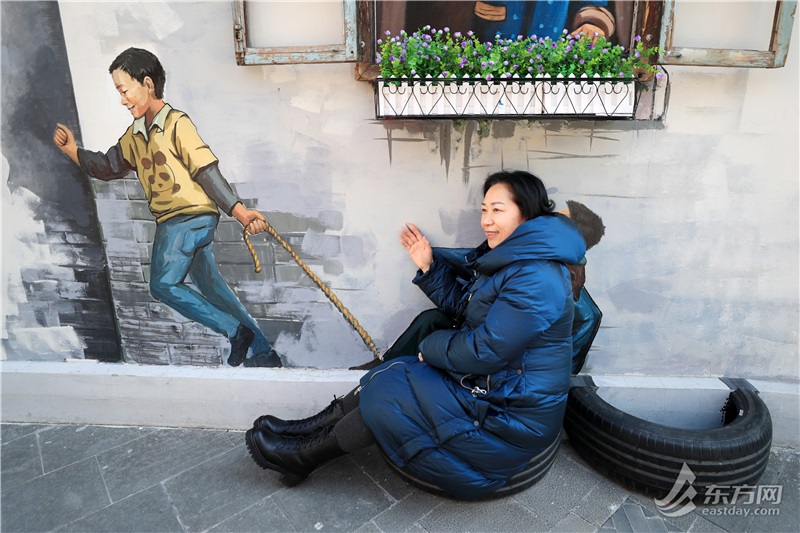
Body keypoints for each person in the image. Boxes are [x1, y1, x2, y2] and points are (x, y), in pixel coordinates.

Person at [246, 170, 586, 500]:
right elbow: (472, 311)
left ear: (527, 214)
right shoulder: (518, 260)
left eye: (498, 210)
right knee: (389, 374)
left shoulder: (536, 275)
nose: (486, 221)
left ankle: (302, 457)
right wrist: (429, 267)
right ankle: (304, 432)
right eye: (484, 210)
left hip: (509, 416)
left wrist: (430, 346)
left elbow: (484, 350)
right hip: (496, 390)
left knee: (390, 397)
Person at [53, 47, 281, 368]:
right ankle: (264, 353)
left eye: (124, 91)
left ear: (147, 84)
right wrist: (73, 151)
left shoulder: (176, 124)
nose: (122, 100)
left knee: (162, 285)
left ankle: (234, 331)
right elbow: (106, 166)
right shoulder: (134, 137)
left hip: (184, 218)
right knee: (213, 290)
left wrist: (241, 213)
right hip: (189, 223)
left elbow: (205, 170)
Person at [349, 198, 605, 374]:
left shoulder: (583, 313)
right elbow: (469, 297)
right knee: (431, 321)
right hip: (484, 344)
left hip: (503, 374)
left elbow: (558, 374)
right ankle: (381, 371)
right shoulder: (524, 255)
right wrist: (429, 264)